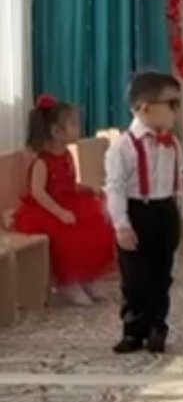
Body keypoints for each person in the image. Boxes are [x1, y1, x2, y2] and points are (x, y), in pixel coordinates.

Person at [104, 71, 183, 354]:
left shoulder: (173, 142)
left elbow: (180, 179)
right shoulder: (122, 146)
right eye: (171, 104)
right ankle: (133, 330)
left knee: (162, 276)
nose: (176, 110)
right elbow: (114, 187)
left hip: (165, 212)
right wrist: (121, 224)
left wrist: (181, 215)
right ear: (145, 108)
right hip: (137, 212)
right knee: (135, 278)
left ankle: (157, 328)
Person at [12, 95, 115, 306]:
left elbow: (68, 183)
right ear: (56, 131)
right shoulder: (42, 161)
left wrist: (85, 189)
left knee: (96, 225)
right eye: (73, 124)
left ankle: (86, 276)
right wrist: (59, 212)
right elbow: (38, 192)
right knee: (68, 234)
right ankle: (68, 281)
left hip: (69, 201)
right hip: (46, 208)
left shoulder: (67, 155)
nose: (79, 128)